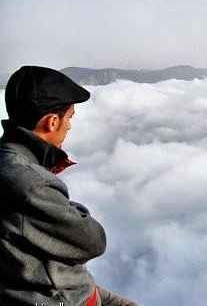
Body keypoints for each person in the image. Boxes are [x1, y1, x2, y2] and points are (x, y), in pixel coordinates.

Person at [0, 66, 138, 306]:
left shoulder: (8, 159)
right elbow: (93, 240)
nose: (70, 126)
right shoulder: (32, 183)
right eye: (70, 117)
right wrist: (73, 209)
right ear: (52, 122)